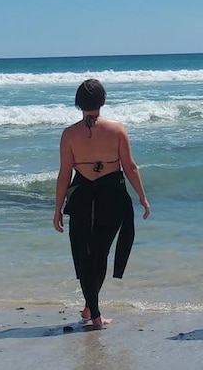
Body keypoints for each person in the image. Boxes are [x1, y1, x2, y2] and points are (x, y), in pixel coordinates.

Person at [53, 79, 151, 330]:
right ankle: (95, 316)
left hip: (82, 197)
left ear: (78, 103)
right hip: (113, 196)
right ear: (102, 101)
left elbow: (65, 175)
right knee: (100, 254)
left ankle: (90, 307)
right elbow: (129, 166)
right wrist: (142, 196)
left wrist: (57, 210)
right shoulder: (117, 130)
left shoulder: (69, 135)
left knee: (86, 256)